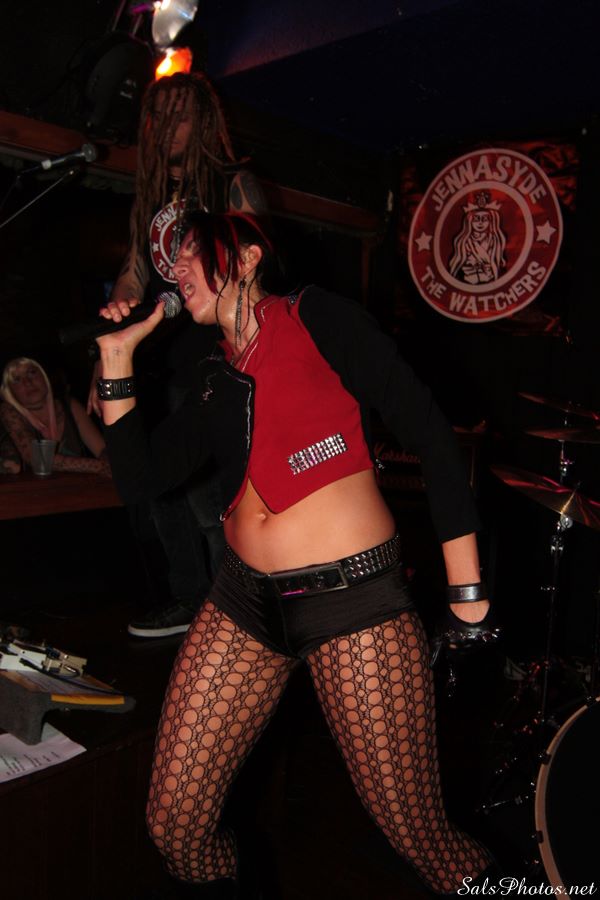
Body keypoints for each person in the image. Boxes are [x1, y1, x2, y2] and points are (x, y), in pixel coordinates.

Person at [97, 212, 500, 896]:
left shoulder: (317, 317)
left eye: (194, 252)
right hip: (242, 601)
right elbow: (140, 479)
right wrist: (116, 359)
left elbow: (431, 432)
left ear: (248, 257)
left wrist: (468, 596)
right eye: (173, 261)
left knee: (422, 838)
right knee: (175, 826)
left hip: (355, 604)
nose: (177, 269)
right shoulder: (213, 375)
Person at [87, 71, 266, 638]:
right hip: (158, 365)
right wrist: (110, 344)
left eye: (181, 116)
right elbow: (133, 274)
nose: (169, 128)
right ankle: (188, 600)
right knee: (160, 491)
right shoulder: (150, 195)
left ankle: (231, 614)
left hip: (214, 360)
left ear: (205, 121)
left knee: (210, 500)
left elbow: (259, 267)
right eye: (159, 117)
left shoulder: (230, 183)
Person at [1, 357, 110, 476]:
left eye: (32, 372)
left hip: (81, 486)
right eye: (17, 379)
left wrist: (110, 463)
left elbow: (102, 450)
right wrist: (99, 466)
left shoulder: (70, 407)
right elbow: (38, 460)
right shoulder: (9, 412)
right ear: (10, 392)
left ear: (44, 376)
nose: (27, 382)